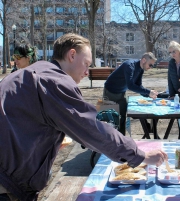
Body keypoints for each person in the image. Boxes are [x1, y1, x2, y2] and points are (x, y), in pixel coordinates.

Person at [0, 33, 167, 201]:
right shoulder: (54, 81)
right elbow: (93, 128)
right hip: (7, 182)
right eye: (86, 64)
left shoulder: (33, 72)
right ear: (72, 55)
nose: (87, 72)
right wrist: (140, 156)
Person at [103, 52, 158, 135]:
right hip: (110, 92)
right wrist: (148, 92)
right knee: (111, 119)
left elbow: (138, 86)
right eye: (150, 65)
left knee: (122, 118)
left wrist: (149, 94)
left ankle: (121, 141)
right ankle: (105, 142)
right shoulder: (129, 65)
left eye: (152, 65)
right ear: (143, 60)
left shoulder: (141, 69)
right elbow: (131, 85)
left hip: (121, 93)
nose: (151, 67)